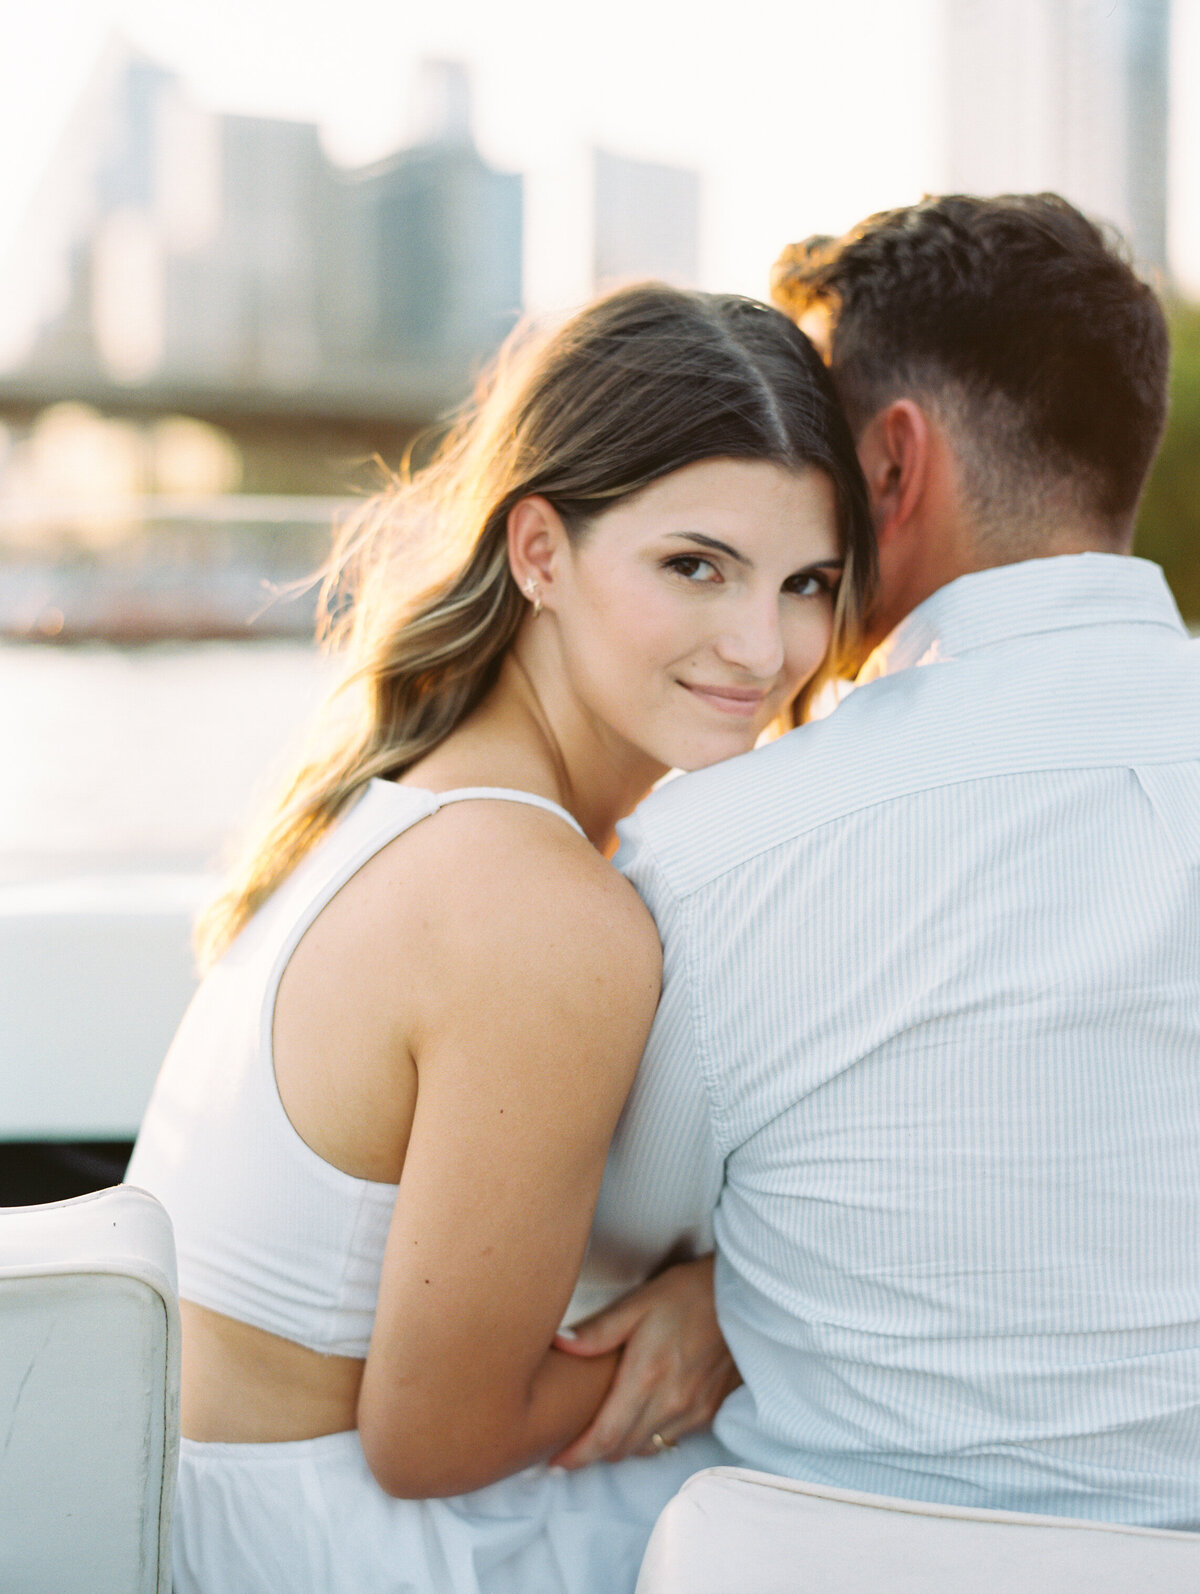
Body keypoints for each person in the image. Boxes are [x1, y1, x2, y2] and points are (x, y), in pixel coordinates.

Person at [126, 281, 876, 1594]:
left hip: (220, 1521)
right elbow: (437, 1439)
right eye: (694, 564)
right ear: (539, 551)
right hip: (345, 1551)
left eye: (808, 583)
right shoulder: (538, 906)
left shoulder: (402, 808)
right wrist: (739, 1318)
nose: (764, 647)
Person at [574, 194, 1200, 1527]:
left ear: (895, 467)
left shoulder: (720, 847)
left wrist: (726, 1290)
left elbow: (612, 1249)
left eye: (806, 444)